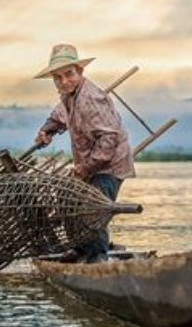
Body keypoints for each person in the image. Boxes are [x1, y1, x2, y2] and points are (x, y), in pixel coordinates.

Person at [33, 43, 136, 262]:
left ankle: (98, 258)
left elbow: (109, 138)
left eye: (69, 74)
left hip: (109, 165)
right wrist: (46, 130)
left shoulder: (91, 98)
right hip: (91, 163)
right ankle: (81, 250)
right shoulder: (68, 96)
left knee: (93, 209)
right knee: (70, 202)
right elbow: (58, 116)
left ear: (80, 72)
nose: (64, 81)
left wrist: (86, 168)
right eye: (58, 77)